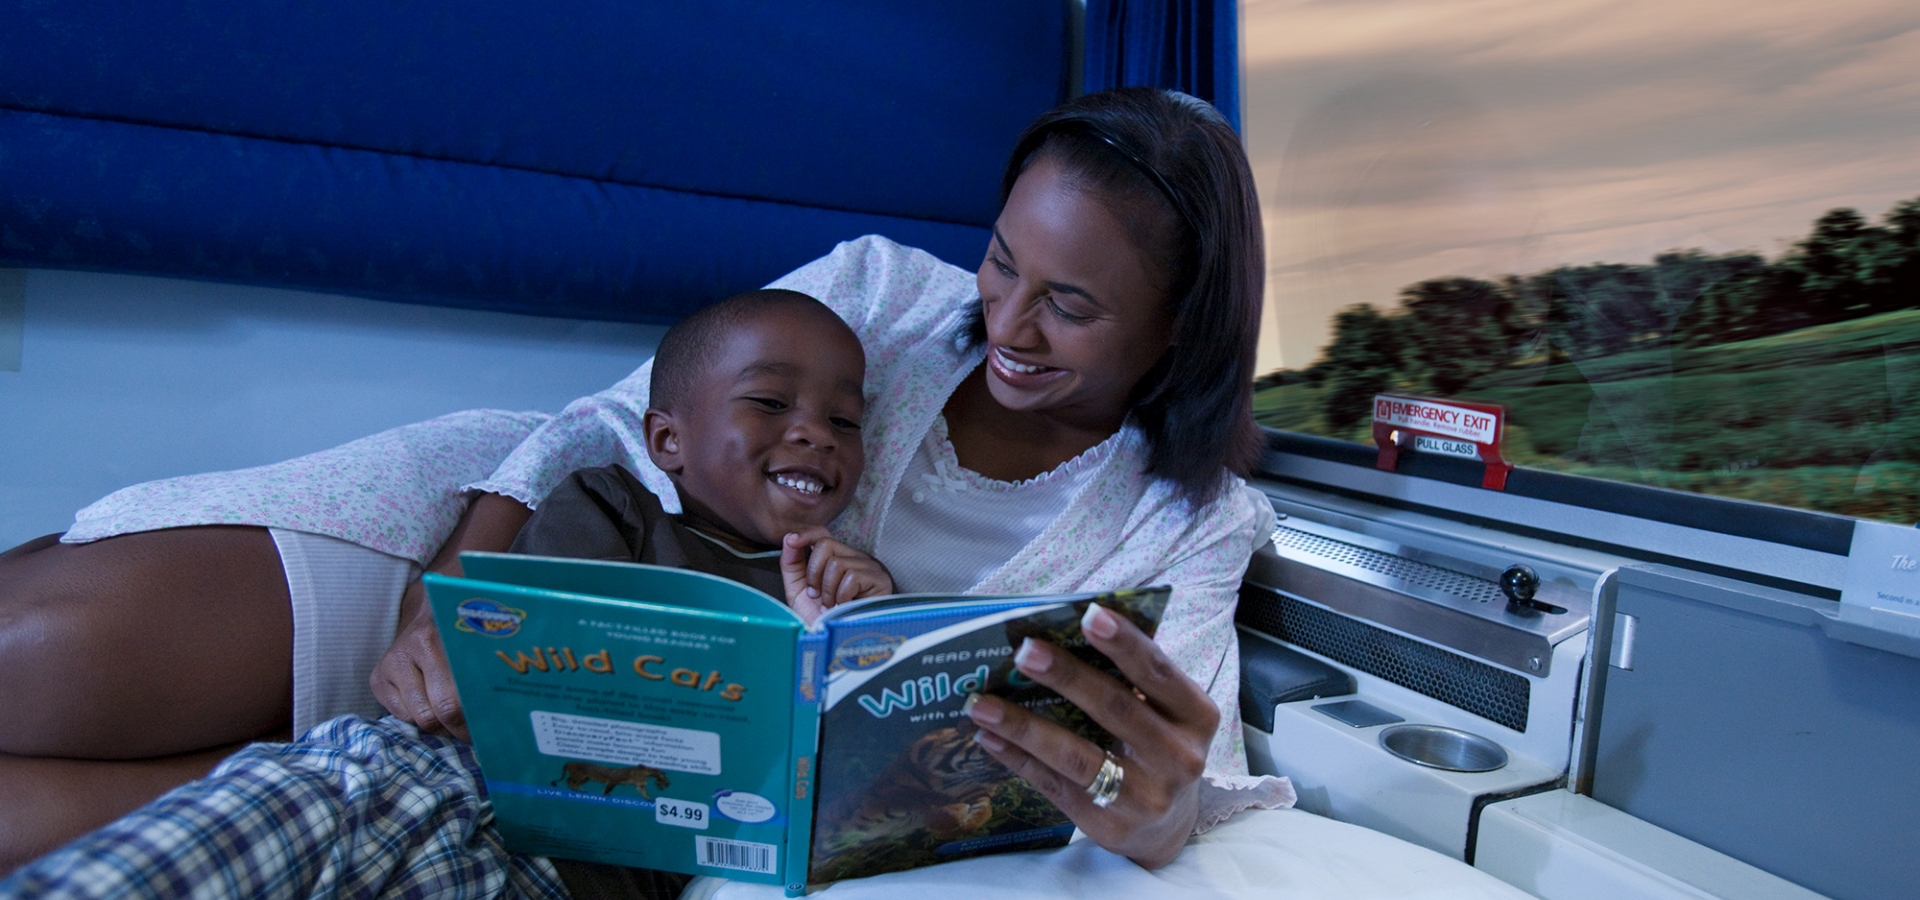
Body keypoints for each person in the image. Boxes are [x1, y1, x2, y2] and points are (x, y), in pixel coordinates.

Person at [0, 87, 1290, 880]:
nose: (1003, 320)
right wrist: (448, 601)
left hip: (629, 733)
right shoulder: (893, 292)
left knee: (121, 815)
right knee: (33, 656)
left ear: (1178, 328)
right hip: (507, 533)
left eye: (1067, 305)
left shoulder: (1188, 524)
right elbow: (603, 426)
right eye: (1003, 262)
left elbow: (1191, 777)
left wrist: (1152, 813)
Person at [2, 287, 892, 899]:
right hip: (437, 782)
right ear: (666, 440)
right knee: (258, 824)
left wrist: (856, 628)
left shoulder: (839, 590)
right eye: (770, 404)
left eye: (844, 421)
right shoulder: (609, 504)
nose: (814, 434)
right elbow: (518, 637)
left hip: (571, 882)